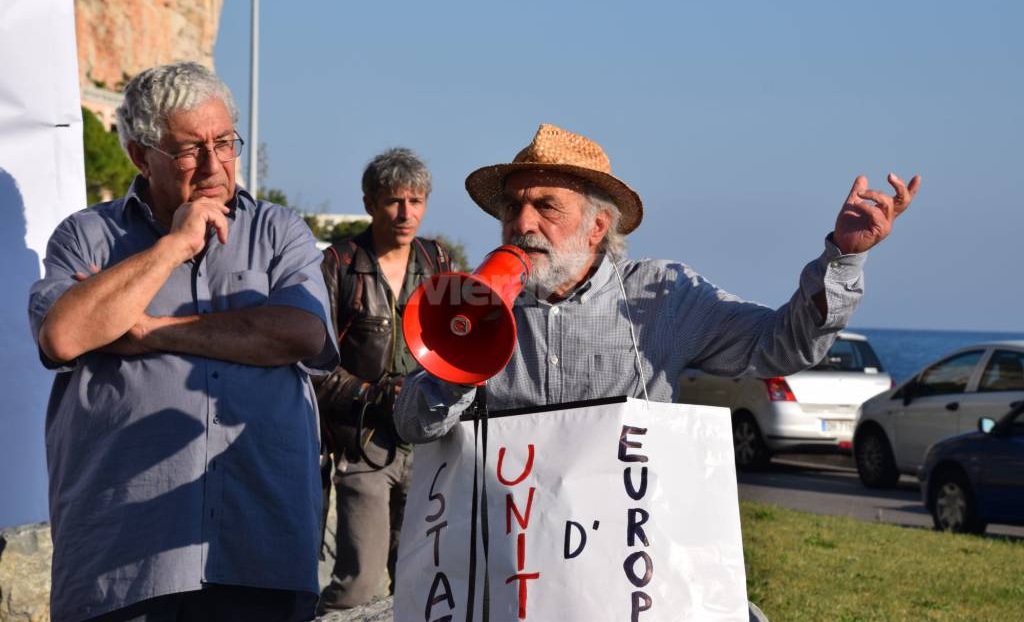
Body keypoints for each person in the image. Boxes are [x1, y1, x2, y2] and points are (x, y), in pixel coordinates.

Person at [27, 62, 338, 622]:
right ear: (140, 157)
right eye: (191, 149)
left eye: (225, 142)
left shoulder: (279, 232)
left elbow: (301, 332)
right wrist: (172, 247)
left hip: (259, 548)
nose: (216, 165)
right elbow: (65, 335)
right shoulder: (86, 236)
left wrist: (148, 329)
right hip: (123, 558)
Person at [394, 121, 920, 442]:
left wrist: (843, 260)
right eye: (513, 207)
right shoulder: (465, 306)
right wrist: (459, 359)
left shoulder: (662, 297)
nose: (523, 223)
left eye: (545, 207)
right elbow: (413, 426)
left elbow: (780, 348)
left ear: (597, 226)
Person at [315, 148, 451, 611]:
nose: (405, 213)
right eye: (394, 201)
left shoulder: (437, 261)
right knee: (356, 586)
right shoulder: (339, 264)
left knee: (421, 580)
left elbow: (457, 343)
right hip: (364, 443)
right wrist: (372, 394)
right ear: (370, 202)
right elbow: (314, 365)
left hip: (427, 443)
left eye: (416, 201)